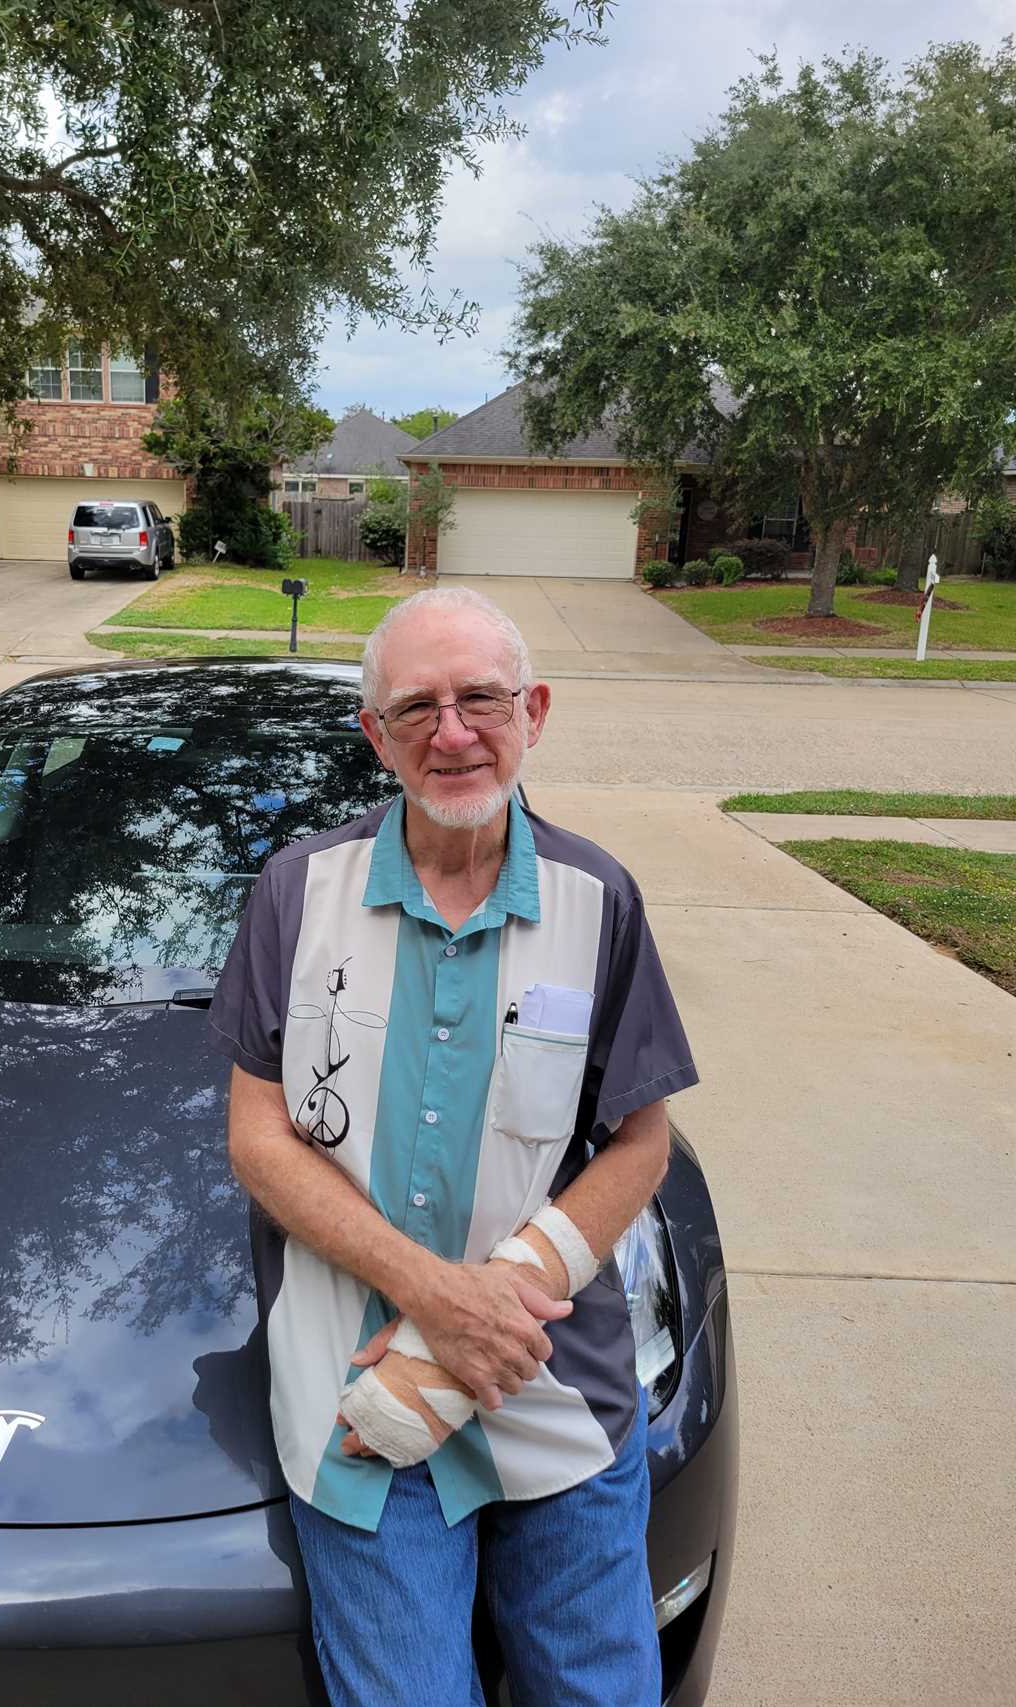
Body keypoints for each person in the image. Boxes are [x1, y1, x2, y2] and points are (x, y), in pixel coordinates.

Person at [209, 586, 698, 1707]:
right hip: (362, 1395)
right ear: (373, 735)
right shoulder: (295, 893)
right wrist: (436, 1299)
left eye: (479, 698)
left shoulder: (597, 899)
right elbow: (257, 1133)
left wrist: (505, 1294)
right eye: (415, 708)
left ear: (530, 710)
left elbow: (639, 1143)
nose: (453, 733)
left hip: (551, 1387)